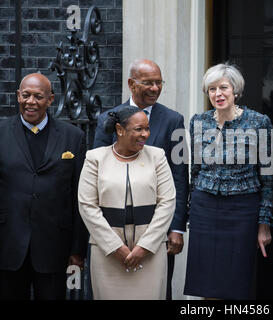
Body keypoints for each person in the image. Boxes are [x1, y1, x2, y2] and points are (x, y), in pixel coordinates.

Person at [93, 59, 188, 299]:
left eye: (159, 82)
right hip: (113, 231)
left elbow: (180, 176)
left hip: (156, 230)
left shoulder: (174, 120)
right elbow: (96, 177)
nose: (155, 88)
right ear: (131, 84)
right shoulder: (108, 119)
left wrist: (176, 228)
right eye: (148, 83)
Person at [184, 63, 273, 300]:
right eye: (212, 89)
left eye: (223, 87)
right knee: (207, 282)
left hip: (242, 210)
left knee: (237, 281)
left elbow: (268, 176)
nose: (218, 94)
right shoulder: (198, 122)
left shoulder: (259, 122)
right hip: (204, 210)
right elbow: (195, 171)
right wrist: (189, 212)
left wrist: (264, 223)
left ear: (235, 90)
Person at [0, 73, 88, 300]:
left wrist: (78, 250)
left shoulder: (73, 137)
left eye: (38, 96)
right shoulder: (1, 133)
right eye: (26, 95)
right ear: (18, 96)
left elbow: (80, 196)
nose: (31, 102)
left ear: (50, 99)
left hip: (54, 248)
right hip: (7, 245)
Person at [78, 107, 176, 299]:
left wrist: (145, 246)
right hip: (107, 254)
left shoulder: (157, 156)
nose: (145, 134)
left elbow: (167, 202)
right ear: (119, 130)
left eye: (147, 128)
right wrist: (114, 247)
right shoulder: (95, 158)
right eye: (138, 129)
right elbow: (87, 206)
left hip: (150, 253)